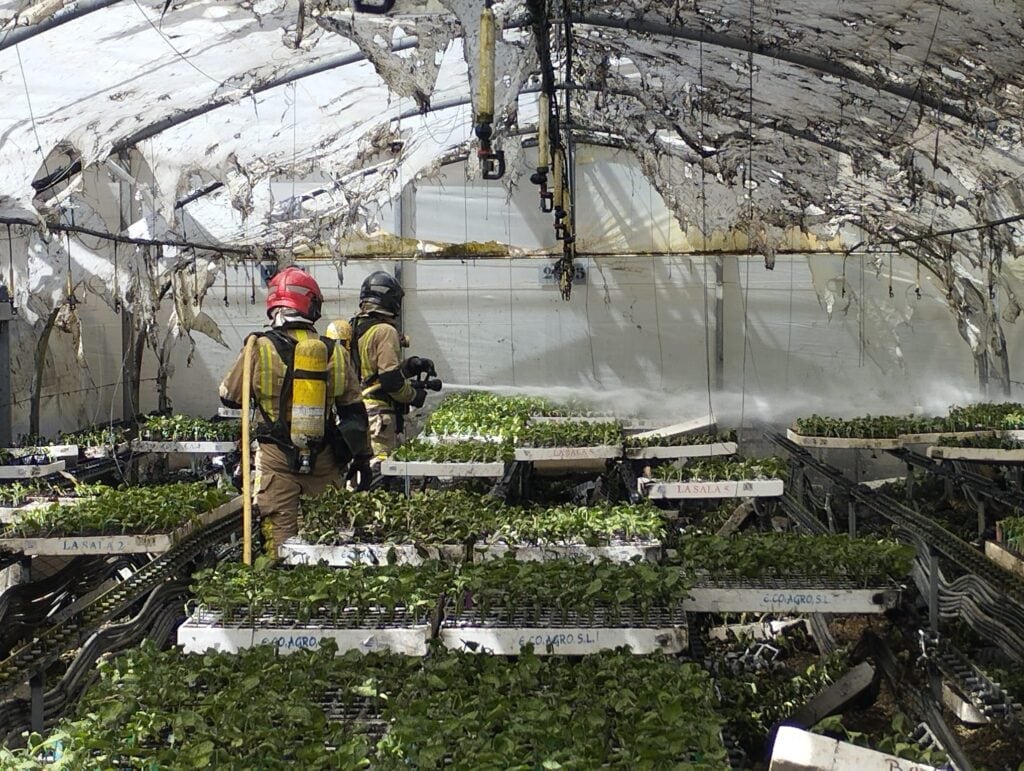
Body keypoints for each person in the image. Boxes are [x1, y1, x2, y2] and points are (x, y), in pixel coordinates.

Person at [219, 266, 372, 557]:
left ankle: (278, 594)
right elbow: (354, 409)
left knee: (279, 540)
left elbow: (229, 397)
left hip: (275, 461)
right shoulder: (334, 351)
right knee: (329, 538)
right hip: (325, 458)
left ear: (274, 306)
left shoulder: (258, 346)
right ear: (312, 306)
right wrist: (363, 458)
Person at [350, 271, 441, 465]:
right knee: (378, 470)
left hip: (359, 410)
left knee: (360, 468)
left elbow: (370, 369)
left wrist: (410, 367)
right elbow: (390, 381)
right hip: (379, 417)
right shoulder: (385, 330)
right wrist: (413, 396)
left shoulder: (357, 326)